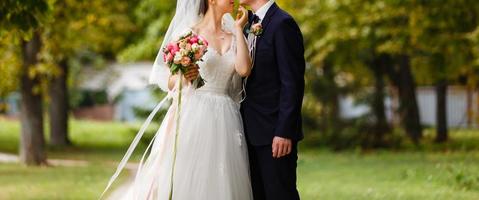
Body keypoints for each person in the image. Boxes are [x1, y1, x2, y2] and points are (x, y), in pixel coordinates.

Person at [100, 0, 254, 199]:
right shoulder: (189, 34)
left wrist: (240, 30)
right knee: (190, 172)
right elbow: (170, 80)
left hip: (226, 115)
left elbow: (243, 69)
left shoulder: (234, 36)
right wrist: (184, 76)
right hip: (196, 112)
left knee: (222, 175)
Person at [239, 0, 306, 199]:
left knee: (279, 194)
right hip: (247, 131)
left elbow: (292, 83)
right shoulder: (247, 23)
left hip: (274, 133)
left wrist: (284, 131)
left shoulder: (283, 24)